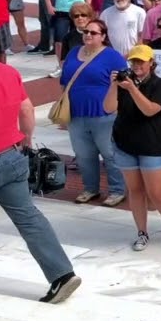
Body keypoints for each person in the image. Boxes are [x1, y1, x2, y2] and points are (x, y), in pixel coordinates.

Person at [0, 53, 83, 303]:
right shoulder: (6, 71)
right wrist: (24, 142)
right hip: (12, 156)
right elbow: (26, 109)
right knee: (29, 218)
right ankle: (62, 274)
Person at [104, 43, 161, 250]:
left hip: (151, 145)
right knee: (135, 190)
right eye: (134, 61)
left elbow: (150, 110)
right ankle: (142, 232)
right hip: (124, 143)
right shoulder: (124, 84)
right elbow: (108, 108)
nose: (137, 64)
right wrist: (114, 85)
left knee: (157, 193)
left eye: (141, 61)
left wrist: (132, 89)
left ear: (151, 63)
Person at [61, 18, 129, 206]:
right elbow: (64, 80)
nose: (88, 35)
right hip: (76, 114)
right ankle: (90, 188)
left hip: (104, 115)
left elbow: (126, 83)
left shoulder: (112, 56)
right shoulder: (74, 52)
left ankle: (117, 190)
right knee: (83, 154)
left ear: (103, 36)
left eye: (93, 32)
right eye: (86, 32)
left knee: (110, 154)